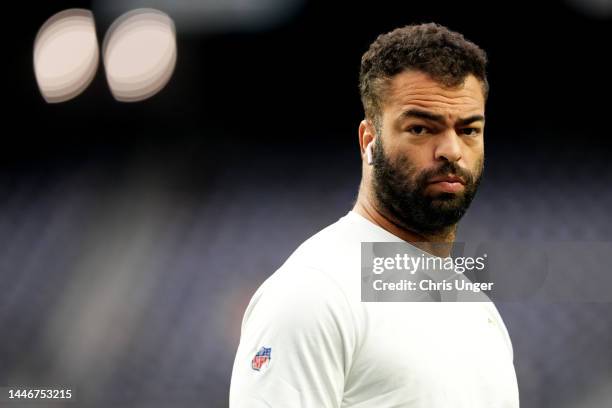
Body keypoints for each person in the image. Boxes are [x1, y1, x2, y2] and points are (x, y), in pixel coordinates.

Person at [229, 22, 519, 407]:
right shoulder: (314, 292)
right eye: (420, 128)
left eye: (469, 130)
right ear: (369, 140)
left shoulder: (476, 307)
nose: (451, 149)